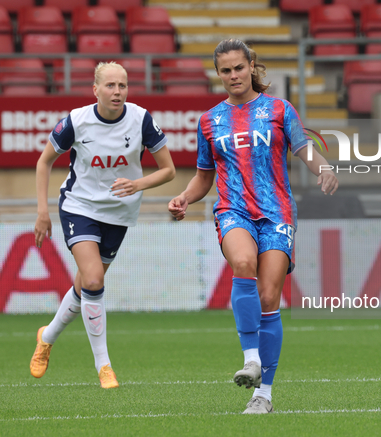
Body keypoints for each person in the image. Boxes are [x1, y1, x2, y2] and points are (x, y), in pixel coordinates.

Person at [168, 39, 338, 414]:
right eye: (225, 70)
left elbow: (303, 148)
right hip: (233, 210)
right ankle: (251, 359)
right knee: (243, 264)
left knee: (268, 298)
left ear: (251, 67)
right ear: (218, 75)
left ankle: (264, 395)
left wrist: (323, 166)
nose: (233, 75)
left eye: (238, 68)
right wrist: (184, 197)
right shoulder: (209, 121)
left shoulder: (278, 109)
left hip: (277, 213)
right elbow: (203, 176)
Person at [31, 61, 176, 389]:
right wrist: (42, 211)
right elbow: (44, 162)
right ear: (95, 89)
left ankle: (47, 336)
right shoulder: (77, 121)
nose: (117, 92)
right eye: (110, 86)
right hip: (79, 206)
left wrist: (139, 185)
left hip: (119, 214)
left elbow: (168, 170)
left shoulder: (141, 119)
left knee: (85, 286)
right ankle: (104, 366)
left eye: (122, 86)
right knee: (94, 280)